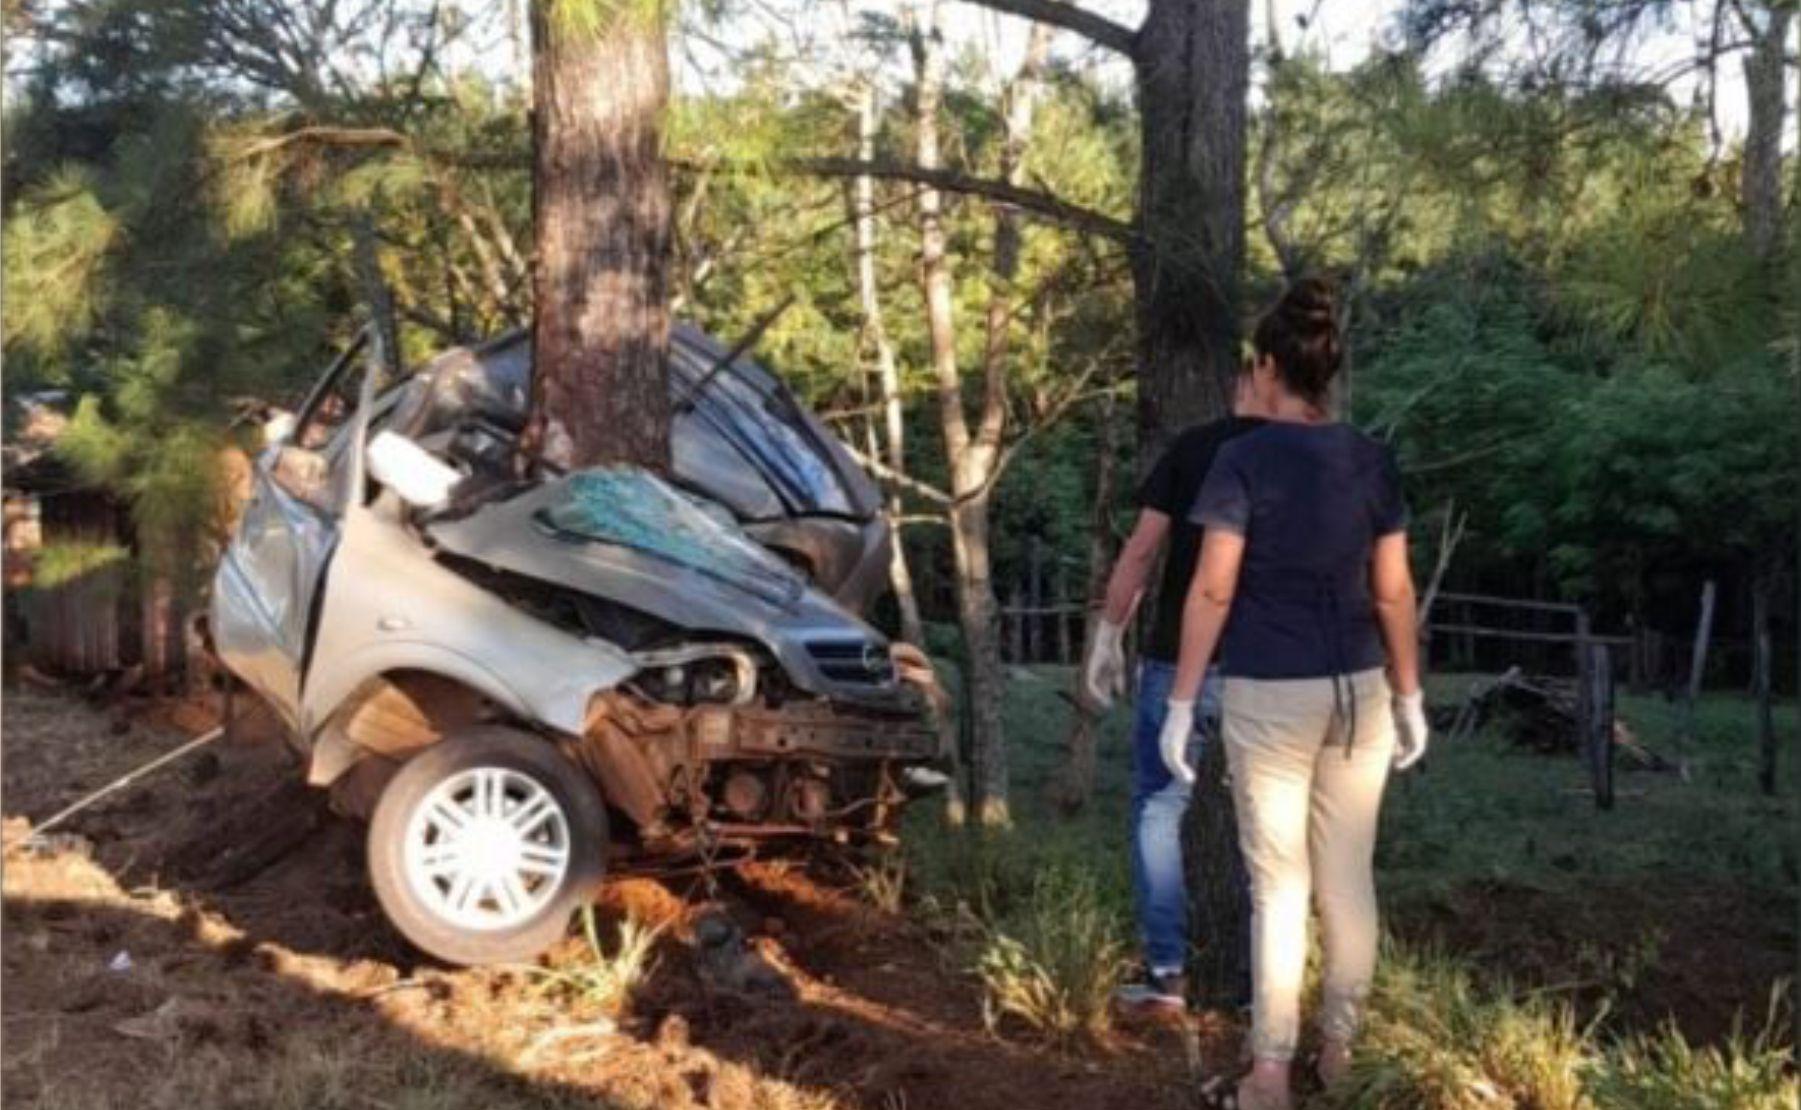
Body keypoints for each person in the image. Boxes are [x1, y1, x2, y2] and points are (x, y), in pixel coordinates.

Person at [1160, 278, 1429, 1109]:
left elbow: (1210, 590)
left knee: (1277, 886)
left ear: (1268, 366)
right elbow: (1392, 591)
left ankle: (1268, 1072)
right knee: (1347, 880)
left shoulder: (1242, 460)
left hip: (1269, 694)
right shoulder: (1370, 459)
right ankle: (1340, 1055)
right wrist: (1409, 691)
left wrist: (1180, 701)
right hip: (1359, 693)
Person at [1081, 369, 1268, 1015]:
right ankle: (1265, 989)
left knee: (1159, 807)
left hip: (1177, 660)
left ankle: (1167, 974)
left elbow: (1140, 553)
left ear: (1244, 377)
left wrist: (1108, 633)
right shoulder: (1307, 458)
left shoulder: (1193, 448)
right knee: (1271, 822)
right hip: (1272, 667)